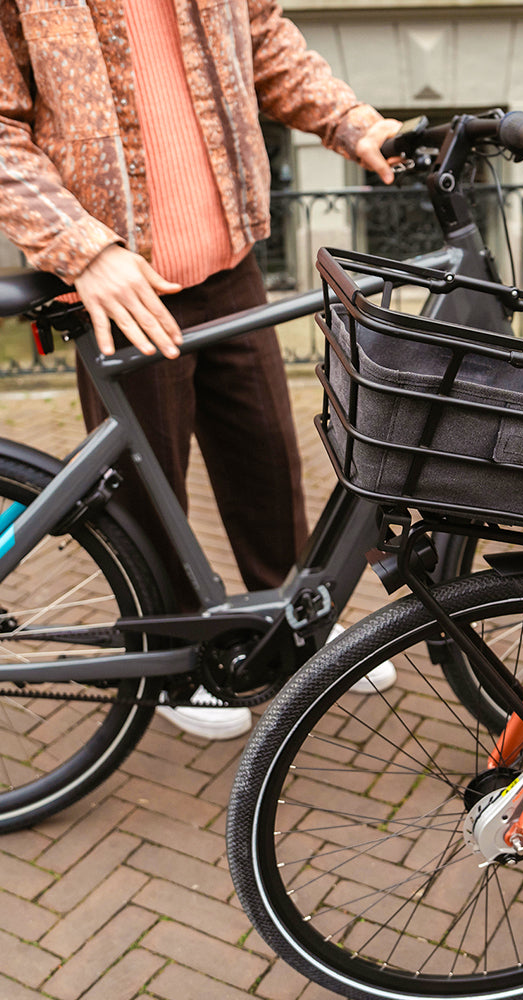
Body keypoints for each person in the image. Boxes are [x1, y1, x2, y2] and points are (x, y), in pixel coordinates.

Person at [0, 1, 401, 740]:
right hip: (120, 278)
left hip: (230, 257)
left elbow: (264, 43)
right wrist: (82, 248)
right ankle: (175, 654)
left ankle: (294, 620)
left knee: (266, 453)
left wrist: (354, 122)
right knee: (146, 480)